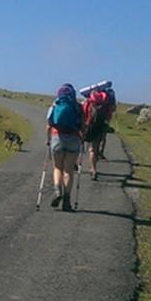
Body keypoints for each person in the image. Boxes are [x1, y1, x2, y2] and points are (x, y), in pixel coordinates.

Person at [47, 83, 84, 211]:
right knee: (68, 171)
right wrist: (82, 139)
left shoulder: (55, 104)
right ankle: (67, 200)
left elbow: (49, 125)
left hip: (57, 138)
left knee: (57, 167)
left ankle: (57, 190)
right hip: (73, 139)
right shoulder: (78, 107)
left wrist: (48, 140)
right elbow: (82, 126)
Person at [82, 88, 114, 179]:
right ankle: (94, 169)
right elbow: (108, 117)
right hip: (99, 129)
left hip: (89, 128)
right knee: (94, 149)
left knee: (89, 150)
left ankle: (90, 168)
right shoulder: (104, 105)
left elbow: (83, 115)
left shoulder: (88, 103)